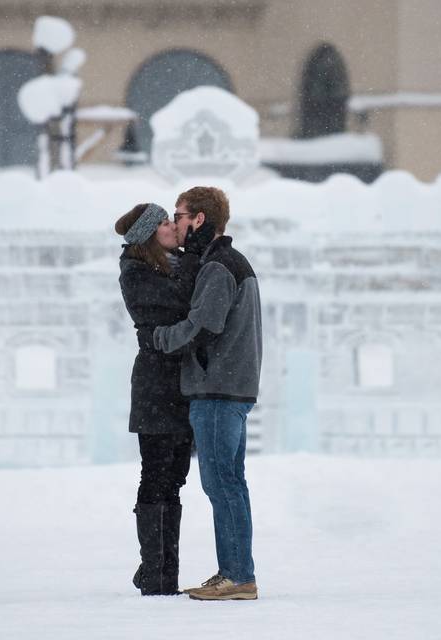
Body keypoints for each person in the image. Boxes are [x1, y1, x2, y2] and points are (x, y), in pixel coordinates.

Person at [154, 186, 263, 601]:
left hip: (217, 389)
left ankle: (237, 577)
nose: (176, 224)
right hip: (230, 387)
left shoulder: (219, 266)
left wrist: (159, 337)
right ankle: (236, 573)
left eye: (179, 215)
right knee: (230, 483)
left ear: (199, 219)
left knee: (221, 484)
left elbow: (204, 325)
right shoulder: (230, 263)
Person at [114, 201, 212, 596]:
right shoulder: (136, 272)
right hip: (156, 386)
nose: (174, 227)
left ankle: (163, 568)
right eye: (166, 223)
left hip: (181, 385)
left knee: (175, 477)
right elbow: (178, 306)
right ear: (150, 234)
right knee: (155, 474)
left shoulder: (175, 264)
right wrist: (197, 257)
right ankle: (156, 571)